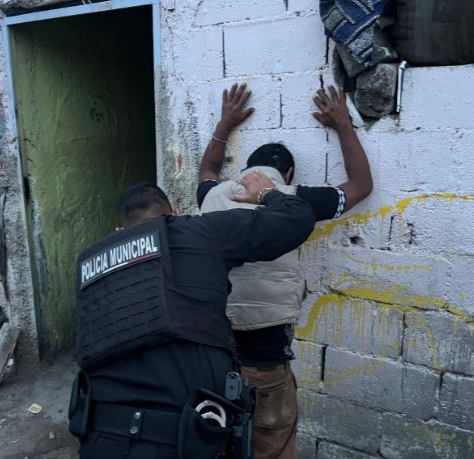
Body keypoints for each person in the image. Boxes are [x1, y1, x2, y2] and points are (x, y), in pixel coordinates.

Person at [68, 170, 318, 458]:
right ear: (175, 214)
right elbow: (297, 218)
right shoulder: (200, 231)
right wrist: (266, 192)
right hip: (189, 435)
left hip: (100, 435)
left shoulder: (90, 262)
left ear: (120, 231)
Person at [197, 83, 373, 459]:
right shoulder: (297, 200)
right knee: (271, 446)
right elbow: (361, 185)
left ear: (245, 171)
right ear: (288, 175)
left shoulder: (211, 196)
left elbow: (208, 168)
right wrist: (343, 125)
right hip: (264, 359)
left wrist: (225, 123)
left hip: (209, 354)